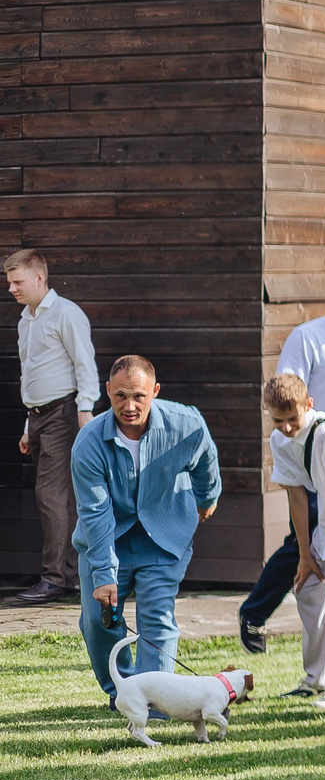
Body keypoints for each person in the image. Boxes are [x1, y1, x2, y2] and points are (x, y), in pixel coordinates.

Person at [73, 356, 220, 698]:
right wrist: (104, 574)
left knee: (157, 616)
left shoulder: (187, 422)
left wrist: (206, 499)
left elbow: (205, 461)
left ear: (155, 391)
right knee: (98, 620)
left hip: (164, 536)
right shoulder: (89, 442)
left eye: (138, 396)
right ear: (107, 391)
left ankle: (153, 699)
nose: (129, 406)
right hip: (109, 538)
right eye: (120, 396)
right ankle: (122, 692)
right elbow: (95, 513)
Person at [238, 275, 325, 653]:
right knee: (304, 549)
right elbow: (285, 390)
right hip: (310, 458)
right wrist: (293, 430)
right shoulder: (308, 337)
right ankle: (258, 613)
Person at [263, 373, 325, 706]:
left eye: (293, 419)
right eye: (279, 421)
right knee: (307, 588)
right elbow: (296, 496)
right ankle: (317, 678)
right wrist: (304, 554)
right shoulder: (279, 439)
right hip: (323, 526)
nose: (287, 427)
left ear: (309, 405)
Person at [11, 248, 97, 607]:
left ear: (39, 278)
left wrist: (85, 410)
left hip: (64, 414)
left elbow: (84, 363)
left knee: (51, 496)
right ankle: (73, 577)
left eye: (17, 282)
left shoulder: (66, 314)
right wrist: (28, 426)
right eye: (9, 282)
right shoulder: (25, 320)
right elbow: (29, 373)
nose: (12, 289)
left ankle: (54, 579)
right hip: (38, 417)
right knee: (60, 498)